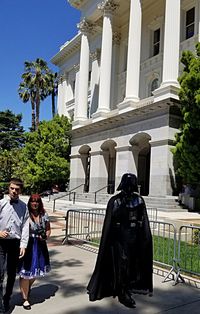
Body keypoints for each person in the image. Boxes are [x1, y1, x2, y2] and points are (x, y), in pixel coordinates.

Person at [87, 173, 153, 308]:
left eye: (131, 184)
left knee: (132, 264)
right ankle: (122, 292)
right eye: (127, 184)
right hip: (119, 239)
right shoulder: (115, 201)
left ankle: (130, 285)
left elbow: (142, 219)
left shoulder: (139, 200)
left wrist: (143, 236)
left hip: (134, 237)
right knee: (122, 263)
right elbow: (110, 222)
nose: (129, 188)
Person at [0, 178, 29, 313]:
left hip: (15, 244)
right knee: (0, 274)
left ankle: (6, 299)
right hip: (1, 243)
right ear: (8, 188)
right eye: (12, 188)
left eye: (17, 189)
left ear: (20, 190)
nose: (14, 191)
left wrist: (23, 245)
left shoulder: (23, 207)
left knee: (11, 275)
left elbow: (25, 227)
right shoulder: (1, 203)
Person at [18, 194, 51, 310]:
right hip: (28, 244)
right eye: (32, 201)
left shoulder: (44, 214)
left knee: (36, 271)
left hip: (40, 245)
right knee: (26, 272)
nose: (35, 203)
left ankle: (25, 288)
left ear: (40, 202)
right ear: (30, 202)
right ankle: (25, 299)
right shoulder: (26, 213)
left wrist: (45, 236)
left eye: (37, 201)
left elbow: (48, 229)